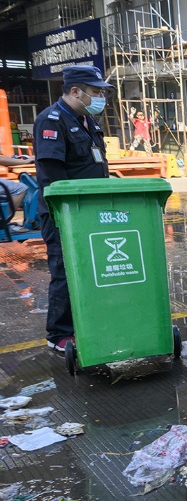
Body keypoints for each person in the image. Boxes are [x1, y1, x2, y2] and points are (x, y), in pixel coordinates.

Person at [33, 66, 113, 352]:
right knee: (65, 270)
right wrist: (69, 213)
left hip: (90, 210)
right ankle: (59, 334)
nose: (100, 97)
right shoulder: (51, 121)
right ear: (75, 91)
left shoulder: (87, 121)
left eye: (102, 92)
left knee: (91, 268)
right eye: (95, 92)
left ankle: (86, 322)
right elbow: (53, 173)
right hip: (65, 213)